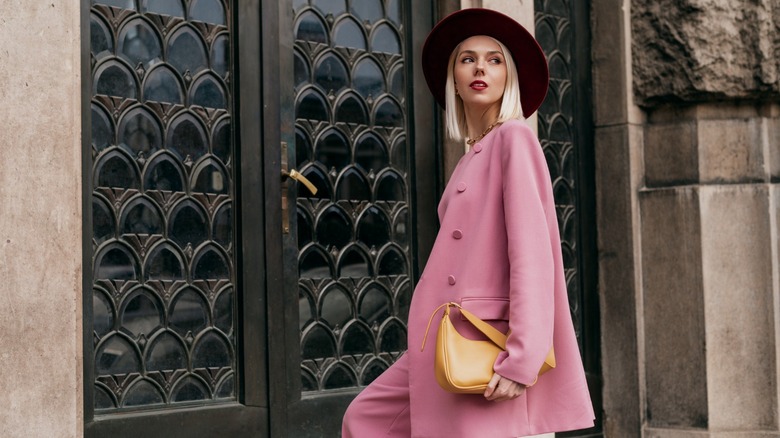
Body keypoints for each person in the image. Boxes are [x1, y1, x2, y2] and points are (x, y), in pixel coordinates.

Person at [342, 8, 594, 437]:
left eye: (495, 60)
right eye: (468, 59)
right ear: (454, 79)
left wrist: (522, 358)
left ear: (509, 77)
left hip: (483, 338)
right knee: (365, 418)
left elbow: (532, 257)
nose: (480, 68)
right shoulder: (470, 156)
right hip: (441, 339)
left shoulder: (514, 138)